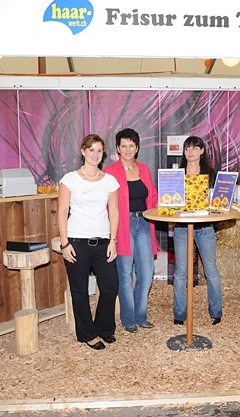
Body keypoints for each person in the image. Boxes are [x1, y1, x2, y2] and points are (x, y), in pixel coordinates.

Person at [57, 134, 120, 350]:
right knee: (80, 291)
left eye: (99, 150)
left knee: (110, 287)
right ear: (83, 151)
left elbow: (114, 212)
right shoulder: (70, 179)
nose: (95, 154)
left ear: (103, 154)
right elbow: (62, 212)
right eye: (91, 150)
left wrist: (113, 240)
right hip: (76, 243)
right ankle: (87, 334)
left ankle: (104, 328)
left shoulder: (110, 181)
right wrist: (65, 244)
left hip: (103, 242)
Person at [104, 128, 158, 333]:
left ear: (137, 148)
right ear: (118, 148)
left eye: (131, 145)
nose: (127, 149)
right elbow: (106, 203)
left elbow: (153, 197)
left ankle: (141, 316)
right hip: (122, 225)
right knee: (125, 275)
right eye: (124, 146)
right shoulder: (110, 171)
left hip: (143, 223)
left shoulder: (143, 169)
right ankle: (128, 320)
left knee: (146, 272)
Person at [172, 135, 223, 326]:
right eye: (187, 148)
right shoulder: (177, 174)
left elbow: (218, 201)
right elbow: (170, 200)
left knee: (211, 270)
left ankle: (216, 311)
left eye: (194, 148)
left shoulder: (211, 173)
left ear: (202, 150)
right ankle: (179, 313)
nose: (190, 152)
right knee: (180, 272)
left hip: (205, 228)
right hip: (182, 228)